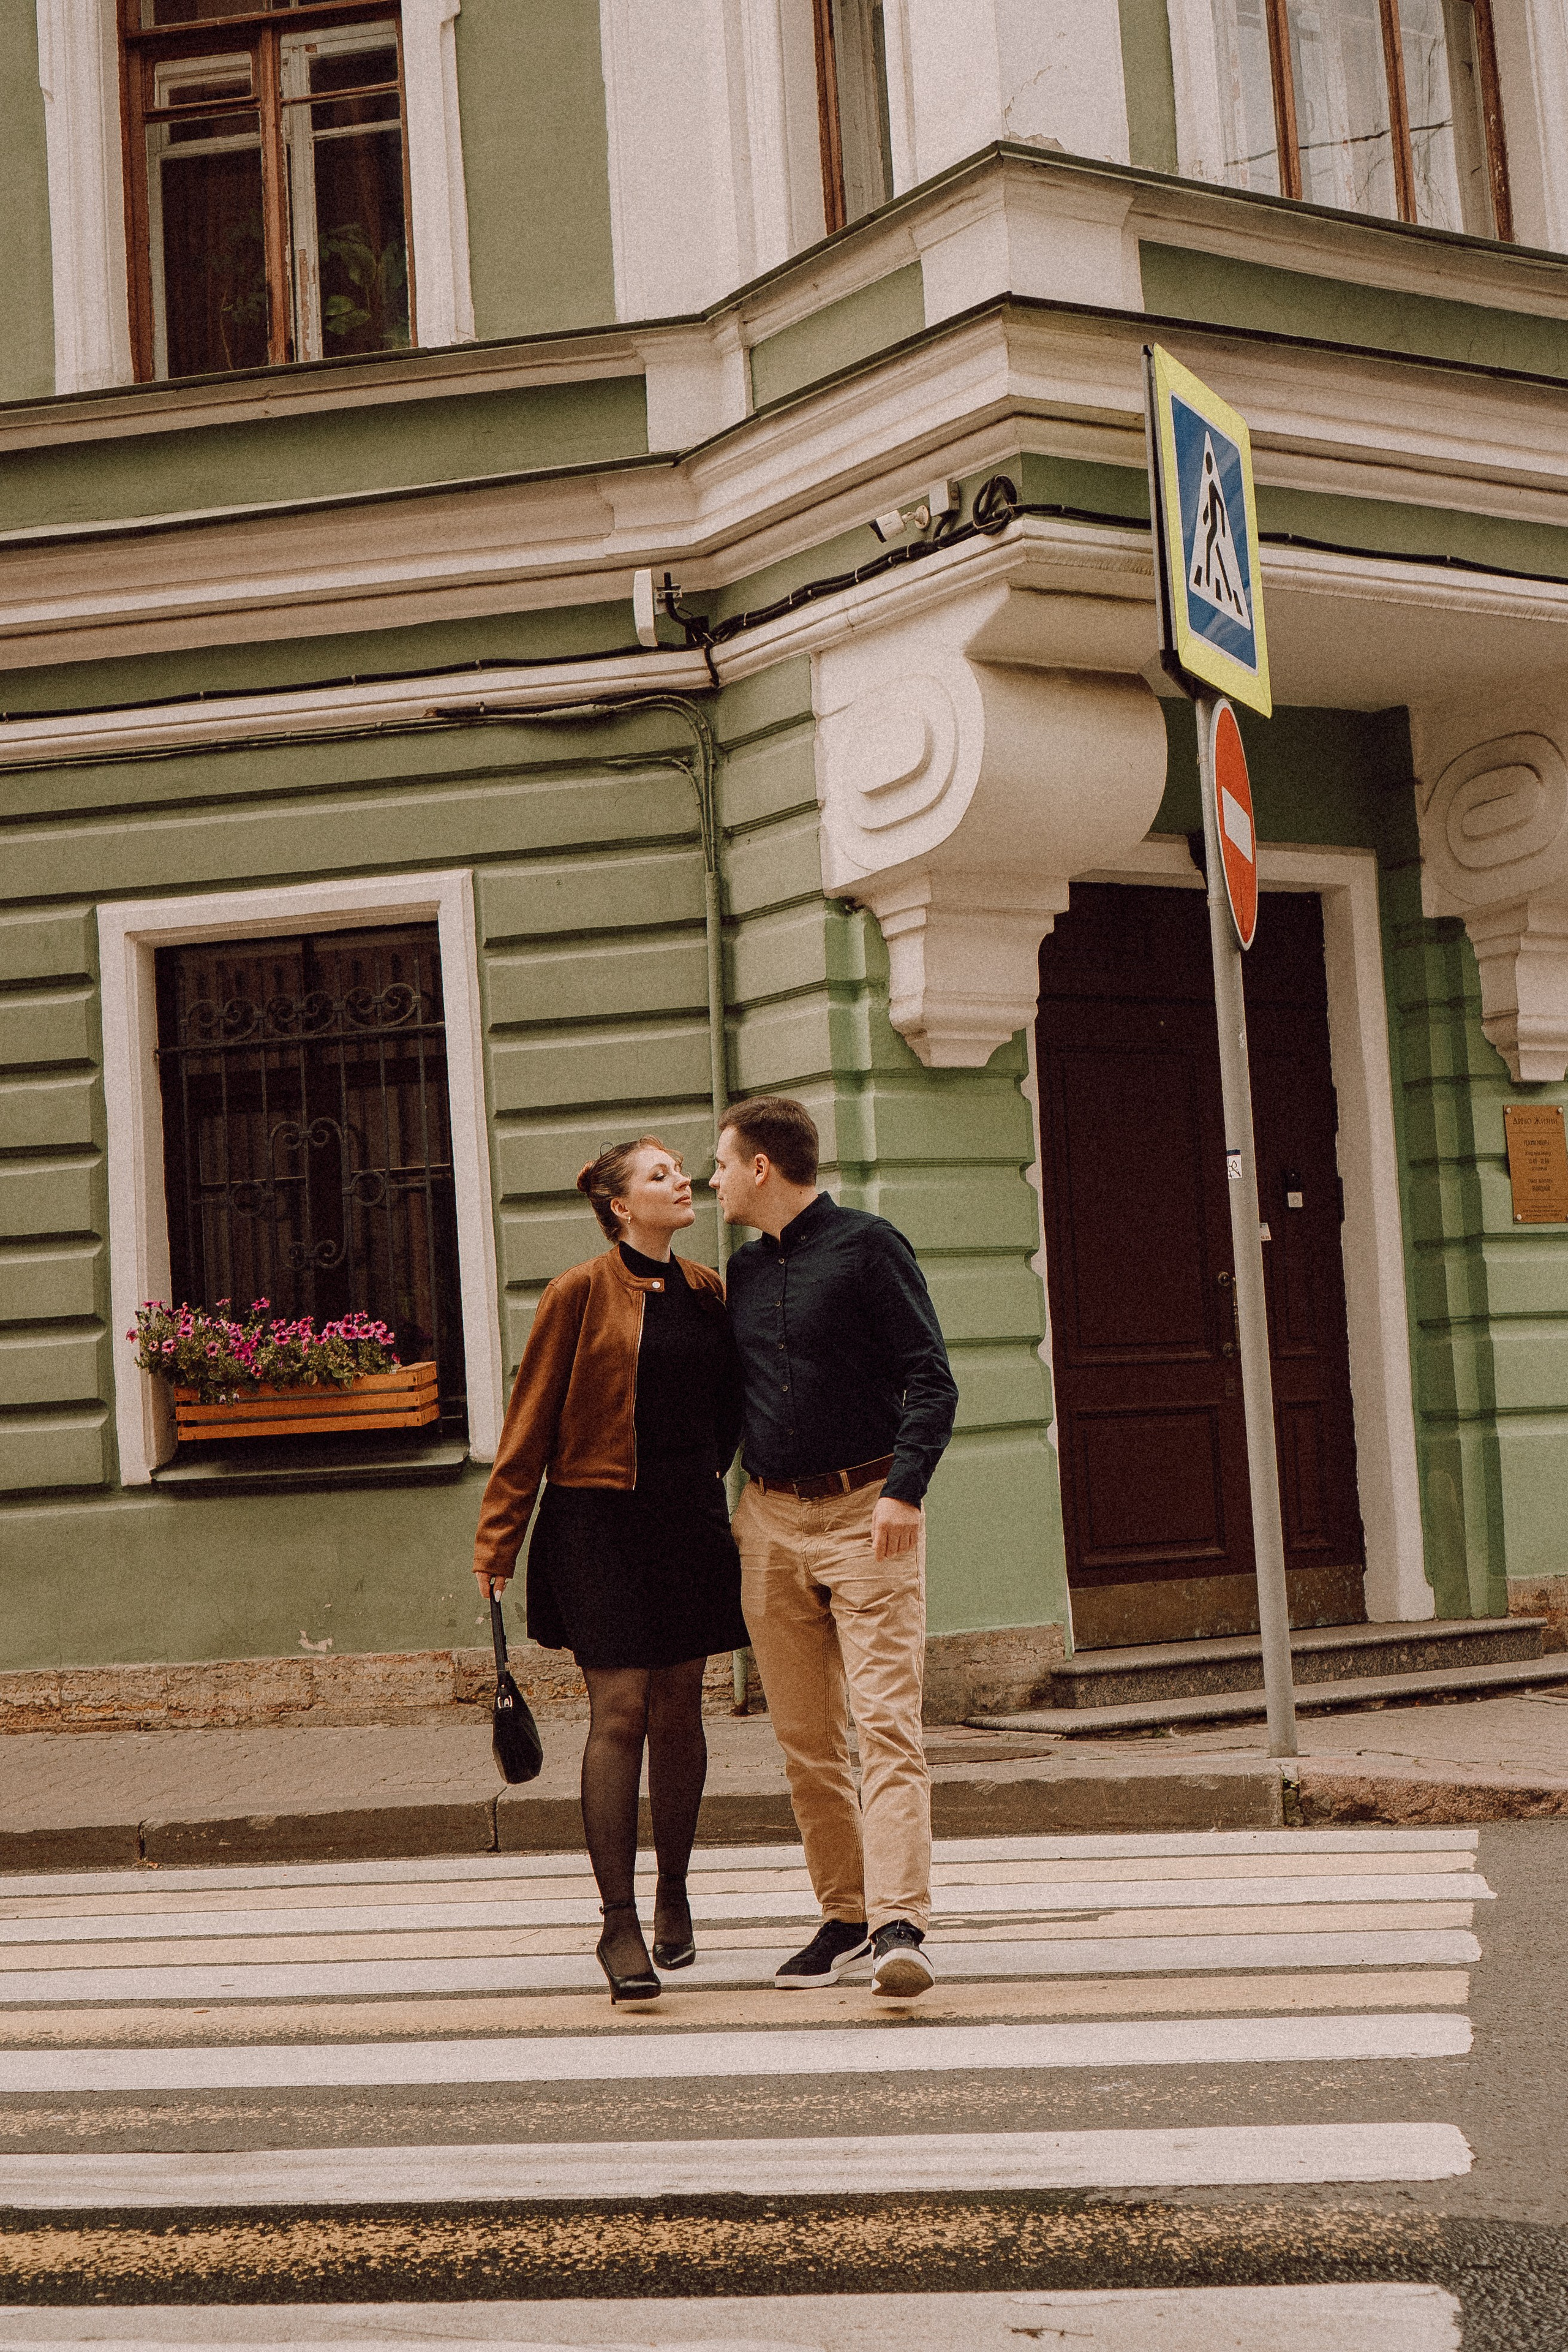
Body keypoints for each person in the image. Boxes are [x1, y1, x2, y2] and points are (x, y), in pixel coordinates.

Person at [472, 1137, 746, 2004]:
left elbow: (731, 1411)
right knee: (620, 1709)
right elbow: (530, 1423)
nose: (684, 1181)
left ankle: (675, 1890)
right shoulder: (578, 1294)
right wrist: (497, 1543)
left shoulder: (708, 1293)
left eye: (681, 1170)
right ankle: (618, 1921)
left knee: (681, 1708)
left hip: (686, 1522)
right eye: (661, 1174)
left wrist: (702, 1480)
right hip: (598, 1521)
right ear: (620, 1204)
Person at [713, 1096, 957, 2000]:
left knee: (888, 1724)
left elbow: (932, 1377)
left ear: (762, 1168)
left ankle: (902, 1924)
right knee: (806, 1738)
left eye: (722, 1162)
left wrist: (905, 1489)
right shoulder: (738, 1272)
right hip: (770, 1521)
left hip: (867, 1514)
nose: (714, 1179)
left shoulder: (868, 1247)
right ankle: (845, 1915)